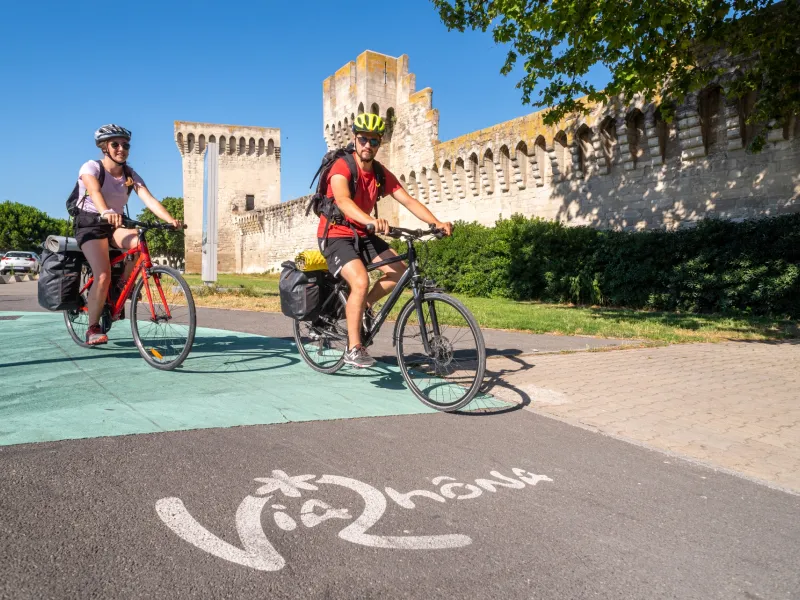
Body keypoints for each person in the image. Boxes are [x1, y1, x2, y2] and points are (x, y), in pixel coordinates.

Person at [318, 112, 453, 368]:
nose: (368, 145)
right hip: (336, 233)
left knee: (399, 272)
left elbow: (408, 200)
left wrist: (435, 223)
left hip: (363, 234)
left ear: (380, 143)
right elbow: (343, 200)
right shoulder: (342, 167)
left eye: (374, 141)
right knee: (360, 279)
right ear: (355, 139)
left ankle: (364, 304)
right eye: (363, 139)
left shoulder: (380, 173)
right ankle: (353, 348)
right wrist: (370, 220)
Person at [73, 124, 182, 346]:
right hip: (90, 224)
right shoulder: (91, 167)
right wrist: (105, 211)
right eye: (115, 144)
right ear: (104, 147)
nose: (121, 148)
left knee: (138, 240)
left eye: (125, 145)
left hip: (115, 224)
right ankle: (93, 327)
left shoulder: (130, 174)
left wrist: (170, 219)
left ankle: (123, 285)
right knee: (102, 274)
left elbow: (148, 198)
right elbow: (93, 191)